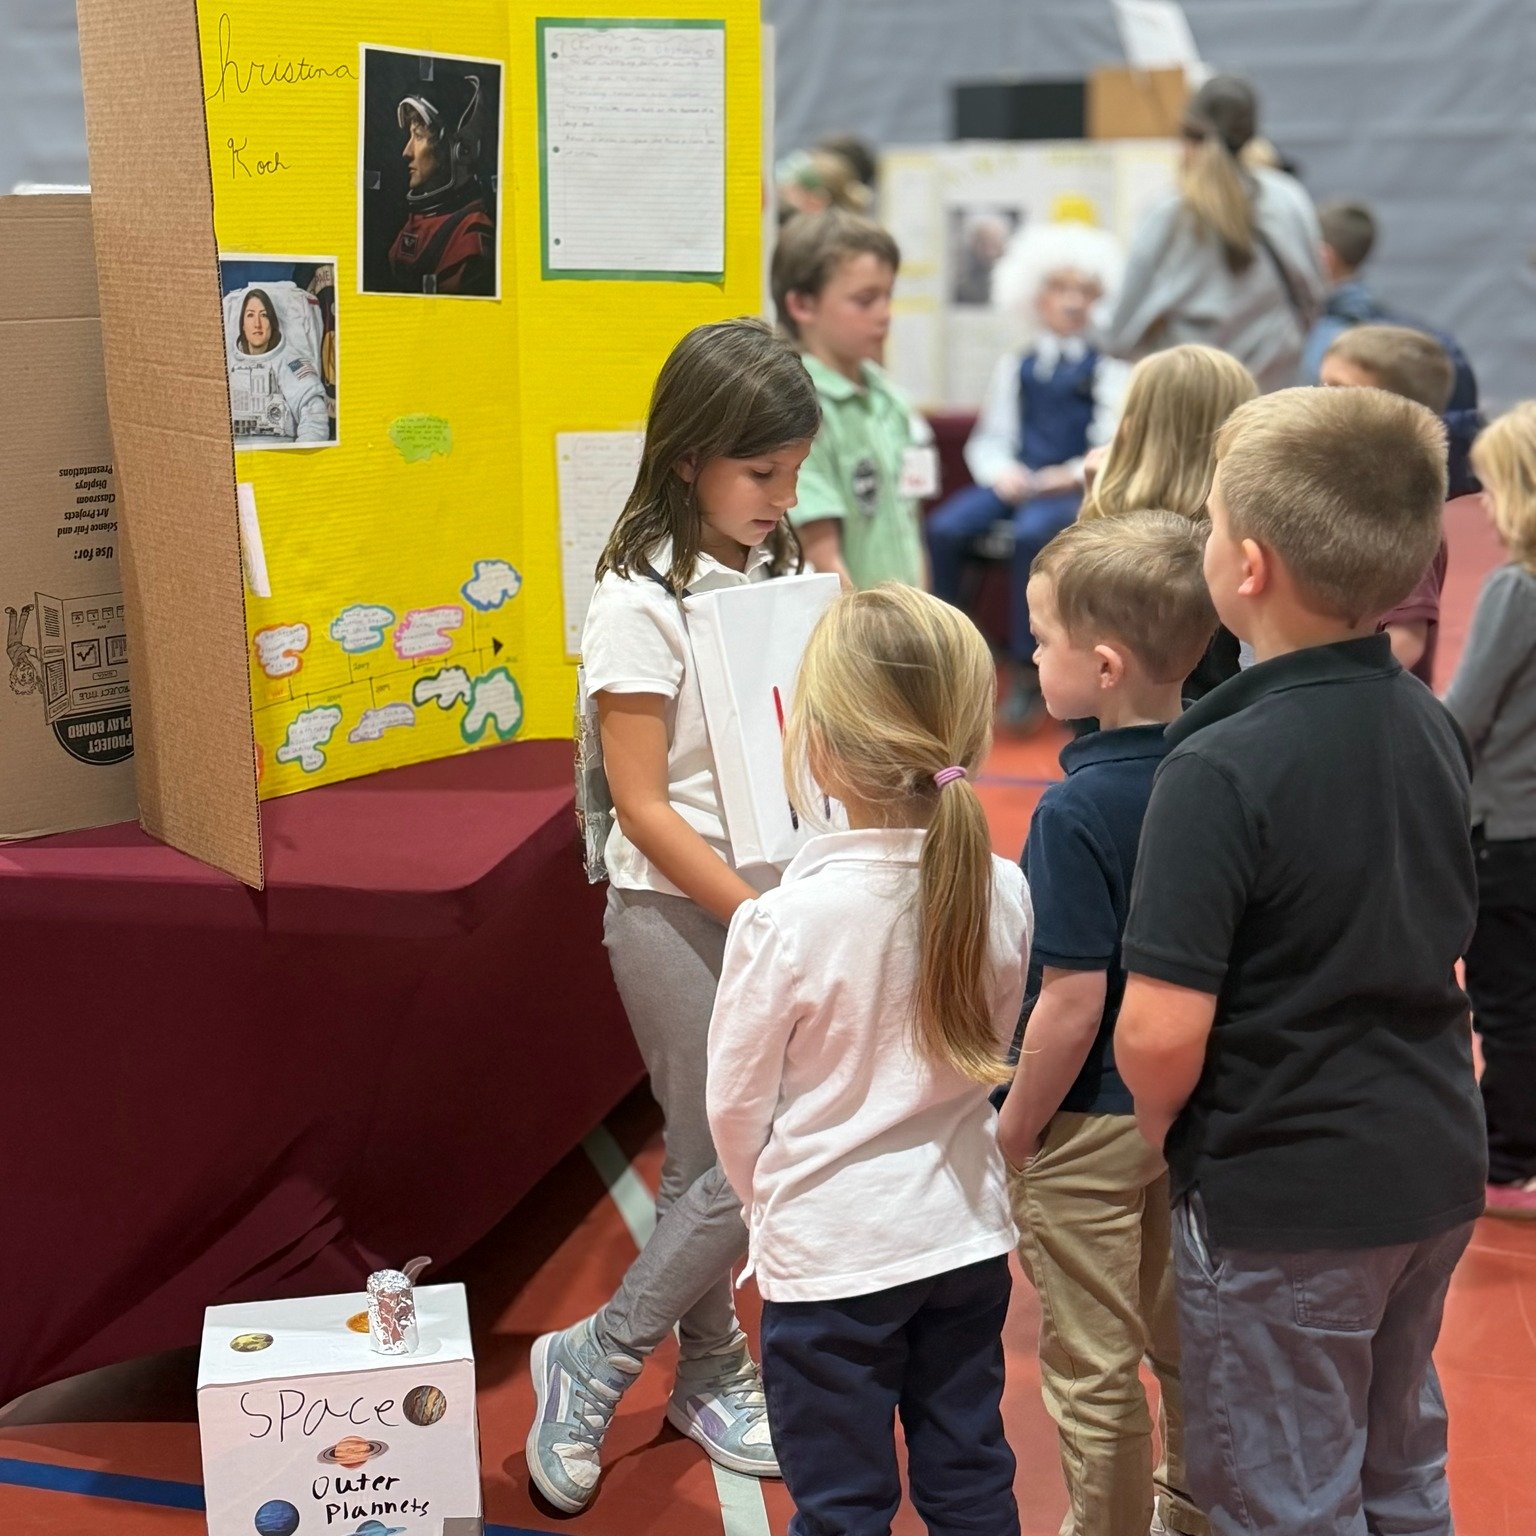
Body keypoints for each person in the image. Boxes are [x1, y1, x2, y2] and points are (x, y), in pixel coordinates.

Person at [1117, 386, 1486, 1536]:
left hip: (1287, 1196)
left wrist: (1157, 1131)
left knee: (1288, 1502)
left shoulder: (1215, 764)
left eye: (1215, 520)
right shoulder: (1427, 721)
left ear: (1248, 566)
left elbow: (1161, 1030)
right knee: (1400, 1468)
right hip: (1430, 1165)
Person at [525, 317, 821, 1513]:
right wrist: (758, 917)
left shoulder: (773, 561)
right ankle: (596, 1361)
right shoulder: (635, 601)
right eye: (763, 472)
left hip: (773, 901)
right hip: (677, 914)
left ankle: (708, 1369)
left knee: (712, 1161)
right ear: (690, 457)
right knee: (739, 1163)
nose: (783, 496)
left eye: (795, 472)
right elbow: (643, 810)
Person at [707, 583, 1030, 1536]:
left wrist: (770, 1201)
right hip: (964, 1235)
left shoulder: (782, 923)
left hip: (831, 1260)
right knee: (971, 1474)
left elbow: (734, 1110)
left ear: (817, 746)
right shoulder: (1003, 886)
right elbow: (991, 1043)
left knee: (841, 1503)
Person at [997, 513, 1214, 1536]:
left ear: (1105, 664)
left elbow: (1073, 999)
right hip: (1194, 1104)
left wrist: (1014, 1126)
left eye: (1042, 639)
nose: (1032, 655)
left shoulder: (1073, 813)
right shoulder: (1215, 771)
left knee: (1094, 1367)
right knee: (1185, 1338)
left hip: (1086, 1122)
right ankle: (1191, 1511)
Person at [926, 221, 1129, 725]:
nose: (1072, 302)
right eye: (1060, 288)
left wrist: (1069, 473)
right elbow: (992, 436)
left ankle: (1025, 667)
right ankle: (948, 646)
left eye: (1084, 291)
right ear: (1037, 296)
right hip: (1019, 479)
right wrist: (1003, 472)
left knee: (1031, 537)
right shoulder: (1016, 364)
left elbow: (1109, 440)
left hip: (1069, 486)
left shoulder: (1106, 368)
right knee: (945, 527)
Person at [1444, 404, 1536, 1218]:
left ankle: (1511, 1155)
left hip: (1507, 830)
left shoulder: (1517, 588)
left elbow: (1464, 714)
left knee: (1507, 1003)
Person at [1097, 74, 1324, 394]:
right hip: (1271, 396)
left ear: (1186, 133)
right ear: (1250, 135)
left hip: (1189, 396)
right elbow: (1313, 296)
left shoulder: (1170, 213)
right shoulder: (1289, 200)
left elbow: (1120, 329)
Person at [1081, 345, 1258, 701]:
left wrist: (1092, 498)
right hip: (1218, 714)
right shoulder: (1237, 536)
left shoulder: (1110, 522)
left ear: (1136, 428)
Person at [772, 208, 929, 591]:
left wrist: (925, 612)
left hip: (904, 613)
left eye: (888, 296)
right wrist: (861, 627)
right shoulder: (798, 407)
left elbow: (912, 528)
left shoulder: (891, 399)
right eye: (865, 300)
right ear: (802, 305)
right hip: (851, 619)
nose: (885, 314)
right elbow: (821, 556)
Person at [1301, 200, 1481, 495]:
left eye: (1336, 389)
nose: (1321, 396)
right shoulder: (1433, 342)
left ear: (1324, 257)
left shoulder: (1323, 342)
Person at [1320, 324, 1457, 684]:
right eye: (1323, 385)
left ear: (1399, 413)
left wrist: (1331, 690)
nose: (1322, 400)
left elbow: (1406, 641)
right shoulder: (1342, 489)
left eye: (1342, 390)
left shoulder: (1403, 511)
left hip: (1363, 703)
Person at [389, 73, 496, 296]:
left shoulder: (469, 236)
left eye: (419, 136)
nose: (406, 152)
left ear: (460, 151)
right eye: (410, 136)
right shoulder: (421, 219)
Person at [226, 286, 329, 445]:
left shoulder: (291, 361)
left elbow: (314, 415)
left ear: (272, 323)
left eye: (264, 315)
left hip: (279, 453)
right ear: (243, 325)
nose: (257, 324)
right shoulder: (227, 362)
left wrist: (299, 453)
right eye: (250, 315)